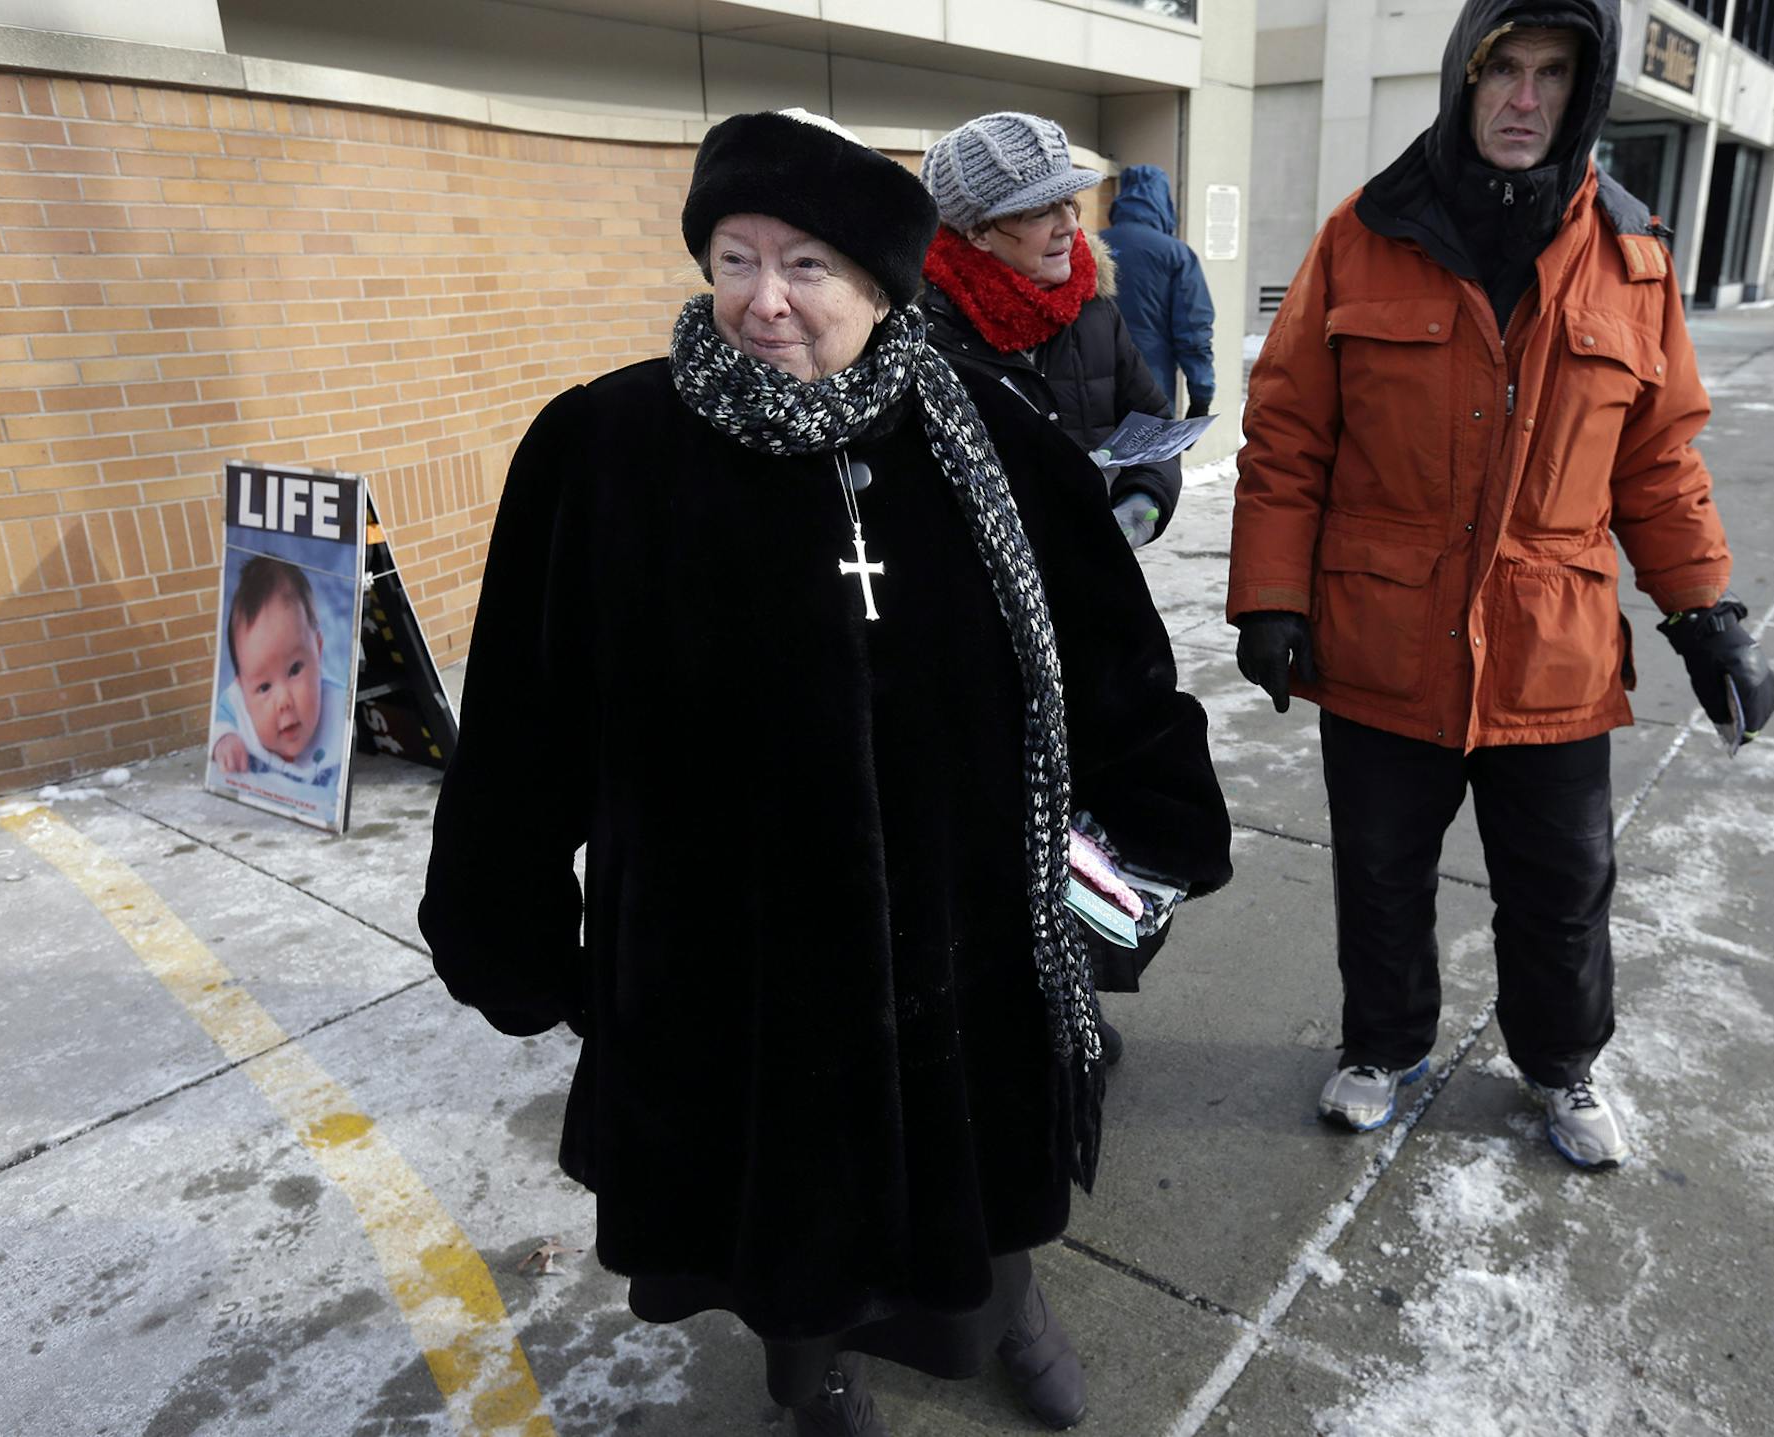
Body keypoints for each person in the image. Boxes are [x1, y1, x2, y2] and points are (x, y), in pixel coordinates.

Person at [419, 109, 1231, 1437]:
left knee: (975, 1167)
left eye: (806, 267)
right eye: (736, 260)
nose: (765, 302)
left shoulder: (998, 450)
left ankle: (1004, 1300)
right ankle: (816, 1371)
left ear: (877, 283)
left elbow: (1110, 659)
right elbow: (526, 711)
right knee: (780, 1218)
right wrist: (504, 919)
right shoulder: (602, 450)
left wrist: (1160, 818)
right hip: (724, 956)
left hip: (955, 930)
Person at [1228, 0, 1774, 1173]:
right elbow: (1287, 439)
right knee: (1381, 873)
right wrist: (1271, 596)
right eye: (1503, 71)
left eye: (1553, 74)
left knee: (1565, 885)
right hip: (1383, 635)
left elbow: (1658, 459)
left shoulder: (1633, 260)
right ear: (1461, 80)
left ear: (1585, 94)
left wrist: (1707, 618)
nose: (1524, 99)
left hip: (1553, 647)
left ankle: (1564, 1063)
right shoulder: (1361, 236)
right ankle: (1384, 1045)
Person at [920, 112, 1183, 551]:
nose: (1069, 225)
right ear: (978, 232)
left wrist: (1144, 498)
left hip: (1097, 575)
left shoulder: (1094, 308)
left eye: (1069, 202)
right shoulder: (924, 336)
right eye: (1042, 210)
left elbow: (1152, 423)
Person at [210, 556, 345, 791]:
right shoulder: (235, 707)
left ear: (318, 651)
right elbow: (218, 723)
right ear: (242, 689)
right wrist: (225, 741)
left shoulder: (339, 708)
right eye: (264, 687)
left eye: (294, 670)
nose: (284, 701)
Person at [1098, 163, 1218, 419]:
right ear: (1163, 201)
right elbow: (1193, 332)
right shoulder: (1175, 254)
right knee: (1153, 458)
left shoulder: (1091, 246)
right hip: (1152, 389)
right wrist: (1201, 396)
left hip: (1092, 393)